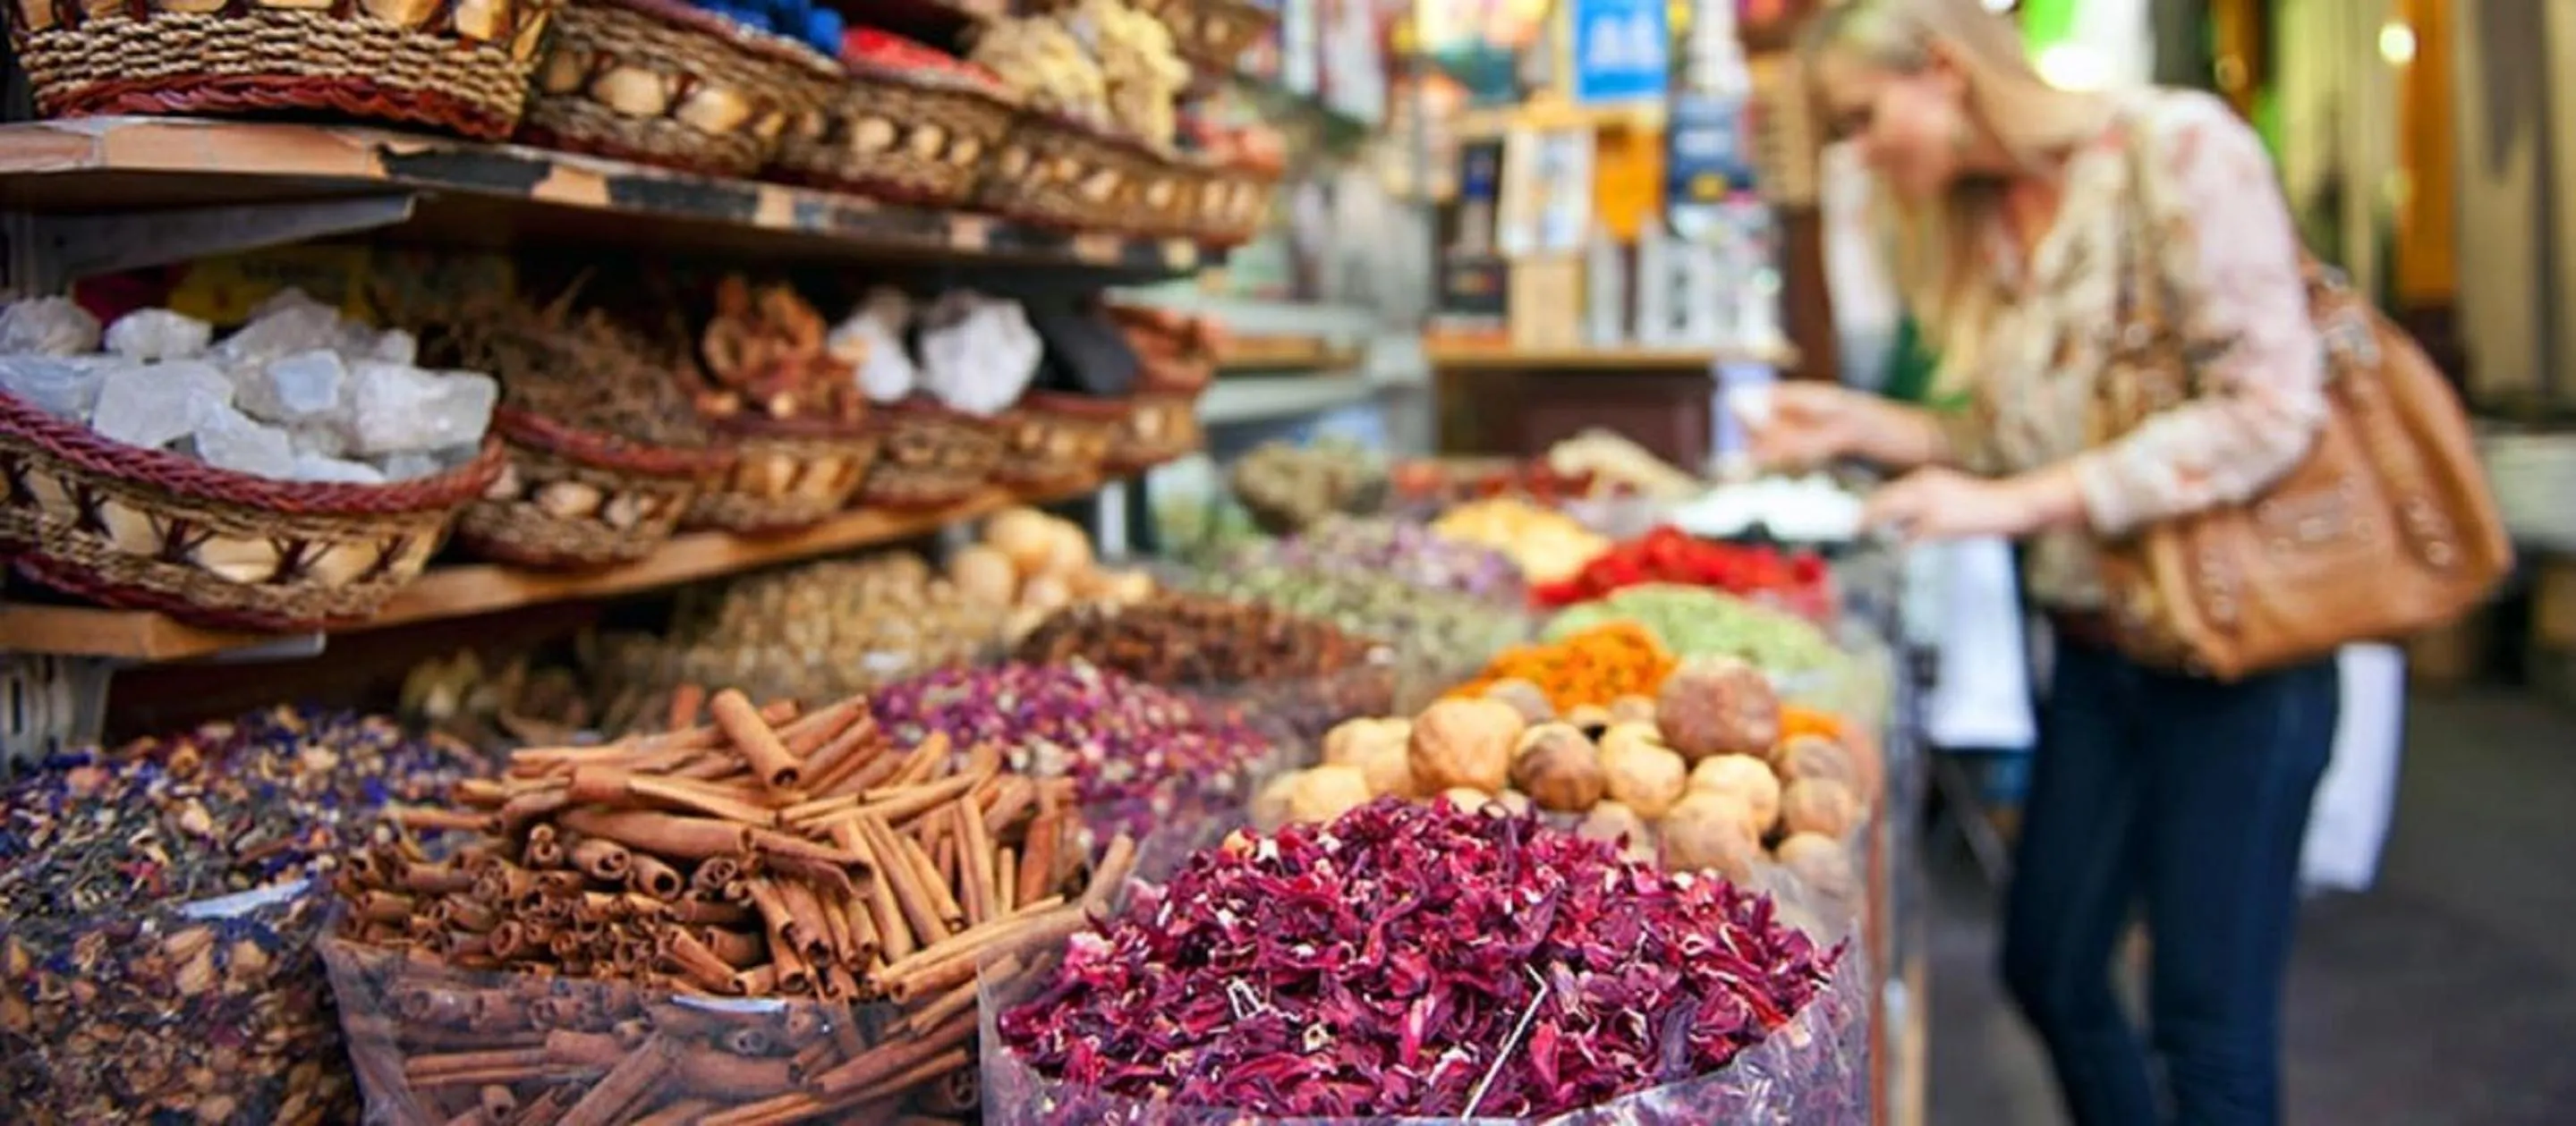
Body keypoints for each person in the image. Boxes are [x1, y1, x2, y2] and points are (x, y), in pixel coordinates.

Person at [1758, 2, 2340, 1124]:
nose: (1857, 151)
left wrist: (2010, 504)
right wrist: (1855, 423)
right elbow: (2017, 442)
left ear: (1941, 69)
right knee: (2053, 965)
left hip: (2235, 654)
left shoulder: (2174, 148)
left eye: (1862, 117)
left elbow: (2273, 410)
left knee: (2206, 1021)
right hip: (2093, 649)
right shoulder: (1987, 225)